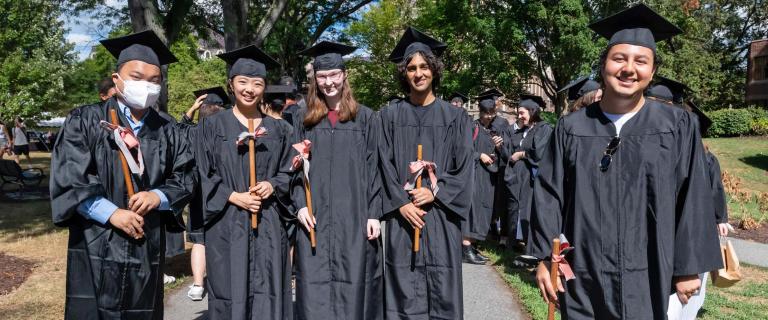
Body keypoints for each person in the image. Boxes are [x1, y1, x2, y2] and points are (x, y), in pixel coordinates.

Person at [530, 5, 722, 319]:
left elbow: (694, 196)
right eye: (619, 58)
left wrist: (689, 268)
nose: (629, 69)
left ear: (652, 69)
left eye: (640, 61)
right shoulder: (572, 128)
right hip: (581, 270)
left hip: (649, 268)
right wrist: (544, 257)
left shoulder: (675, 126)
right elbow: (549, 194)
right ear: (603, 64)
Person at [50, 30, 195, 320]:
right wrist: (111, 213)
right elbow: (69, 177)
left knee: (141, 310)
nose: (147, 86)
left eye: (154, 81)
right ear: (117, 81)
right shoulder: (87, 120)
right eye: (137, 77)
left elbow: (186, 175)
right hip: (97, 238)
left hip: (146, 240)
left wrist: (159, 196)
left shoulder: (167, 129)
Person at [378, 26, 473, 319]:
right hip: (402, 218)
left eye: (424, 66)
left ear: (434, 70)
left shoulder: (455, 117)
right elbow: (382, 165)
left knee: (441, 288)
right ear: (404, 74)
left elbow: (464, 168)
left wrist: (434, 190)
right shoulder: (389, 116)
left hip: (441, 218)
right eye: (411, 68)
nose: (418, 73)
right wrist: (401, 203)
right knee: (403, 289)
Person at [198, 45, 295, 320]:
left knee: (269, 290)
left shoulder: (280, 129)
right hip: (227, 225)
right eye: (242, 82)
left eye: (257, 83)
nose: (249, 89)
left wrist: (273, 184)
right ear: (231, 84)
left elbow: (291, 171)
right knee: (229, 290)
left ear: (264, 87)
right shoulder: (212, 126)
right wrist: (233, 196)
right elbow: (201, 172)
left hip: (268, 226)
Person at [290, 40, 383, 320]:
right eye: (322, 76)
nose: (329, 82)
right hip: (314, 215)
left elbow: (374, 168)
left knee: (354, 280)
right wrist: (300, 206)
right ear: (314, 79)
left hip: (354, 218)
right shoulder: (302, 118)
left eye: (334, 75)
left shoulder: (365, 117)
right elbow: (293, 169)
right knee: (314, 284)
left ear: (344, 76)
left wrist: (374, 214)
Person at [645, 78, 730, 320]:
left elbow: (709, 193)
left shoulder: (701, 155)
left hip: (684, 237)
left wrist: (719, 217)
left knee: (679, 305)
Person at [175, 86, 229, 301]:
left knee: (199, 240)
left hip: (197, 193)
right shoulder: (225, 133)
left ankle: (198, 284)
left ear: (202, 110)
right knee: (223, 237)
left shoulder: (190, 132)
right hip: (223, 191)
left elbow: (177, 129)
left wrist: (190, 110)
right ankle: (222, 280)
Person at [504, 94, 553, 261]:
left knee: (529, 210)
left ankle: (531, 250)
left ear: (532, 112)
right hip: (520, 178)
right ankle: (517, 243)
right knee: (518, 208)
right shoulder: (527, 129)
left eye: (522, 113)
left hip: (533, 179)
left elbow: (540, 153)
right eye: (518, 113)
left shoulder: (544, 128)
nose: (520, 116)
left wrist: (522, 154)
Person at [463, 92, 508, 265]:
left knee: (483, 211)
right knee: (473, 210)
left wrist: (498, 146)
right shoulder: (472, 127)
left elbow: (501, 154)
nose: (489, 117)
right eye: (486, 113)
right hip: (474, 175)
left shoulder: (493, 129)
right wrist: (479, 155)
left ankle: (472, 245)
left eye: (492, 113)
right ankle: (465, 248)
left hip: (489, 177)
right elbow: (462, 151)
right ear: (480, 112)